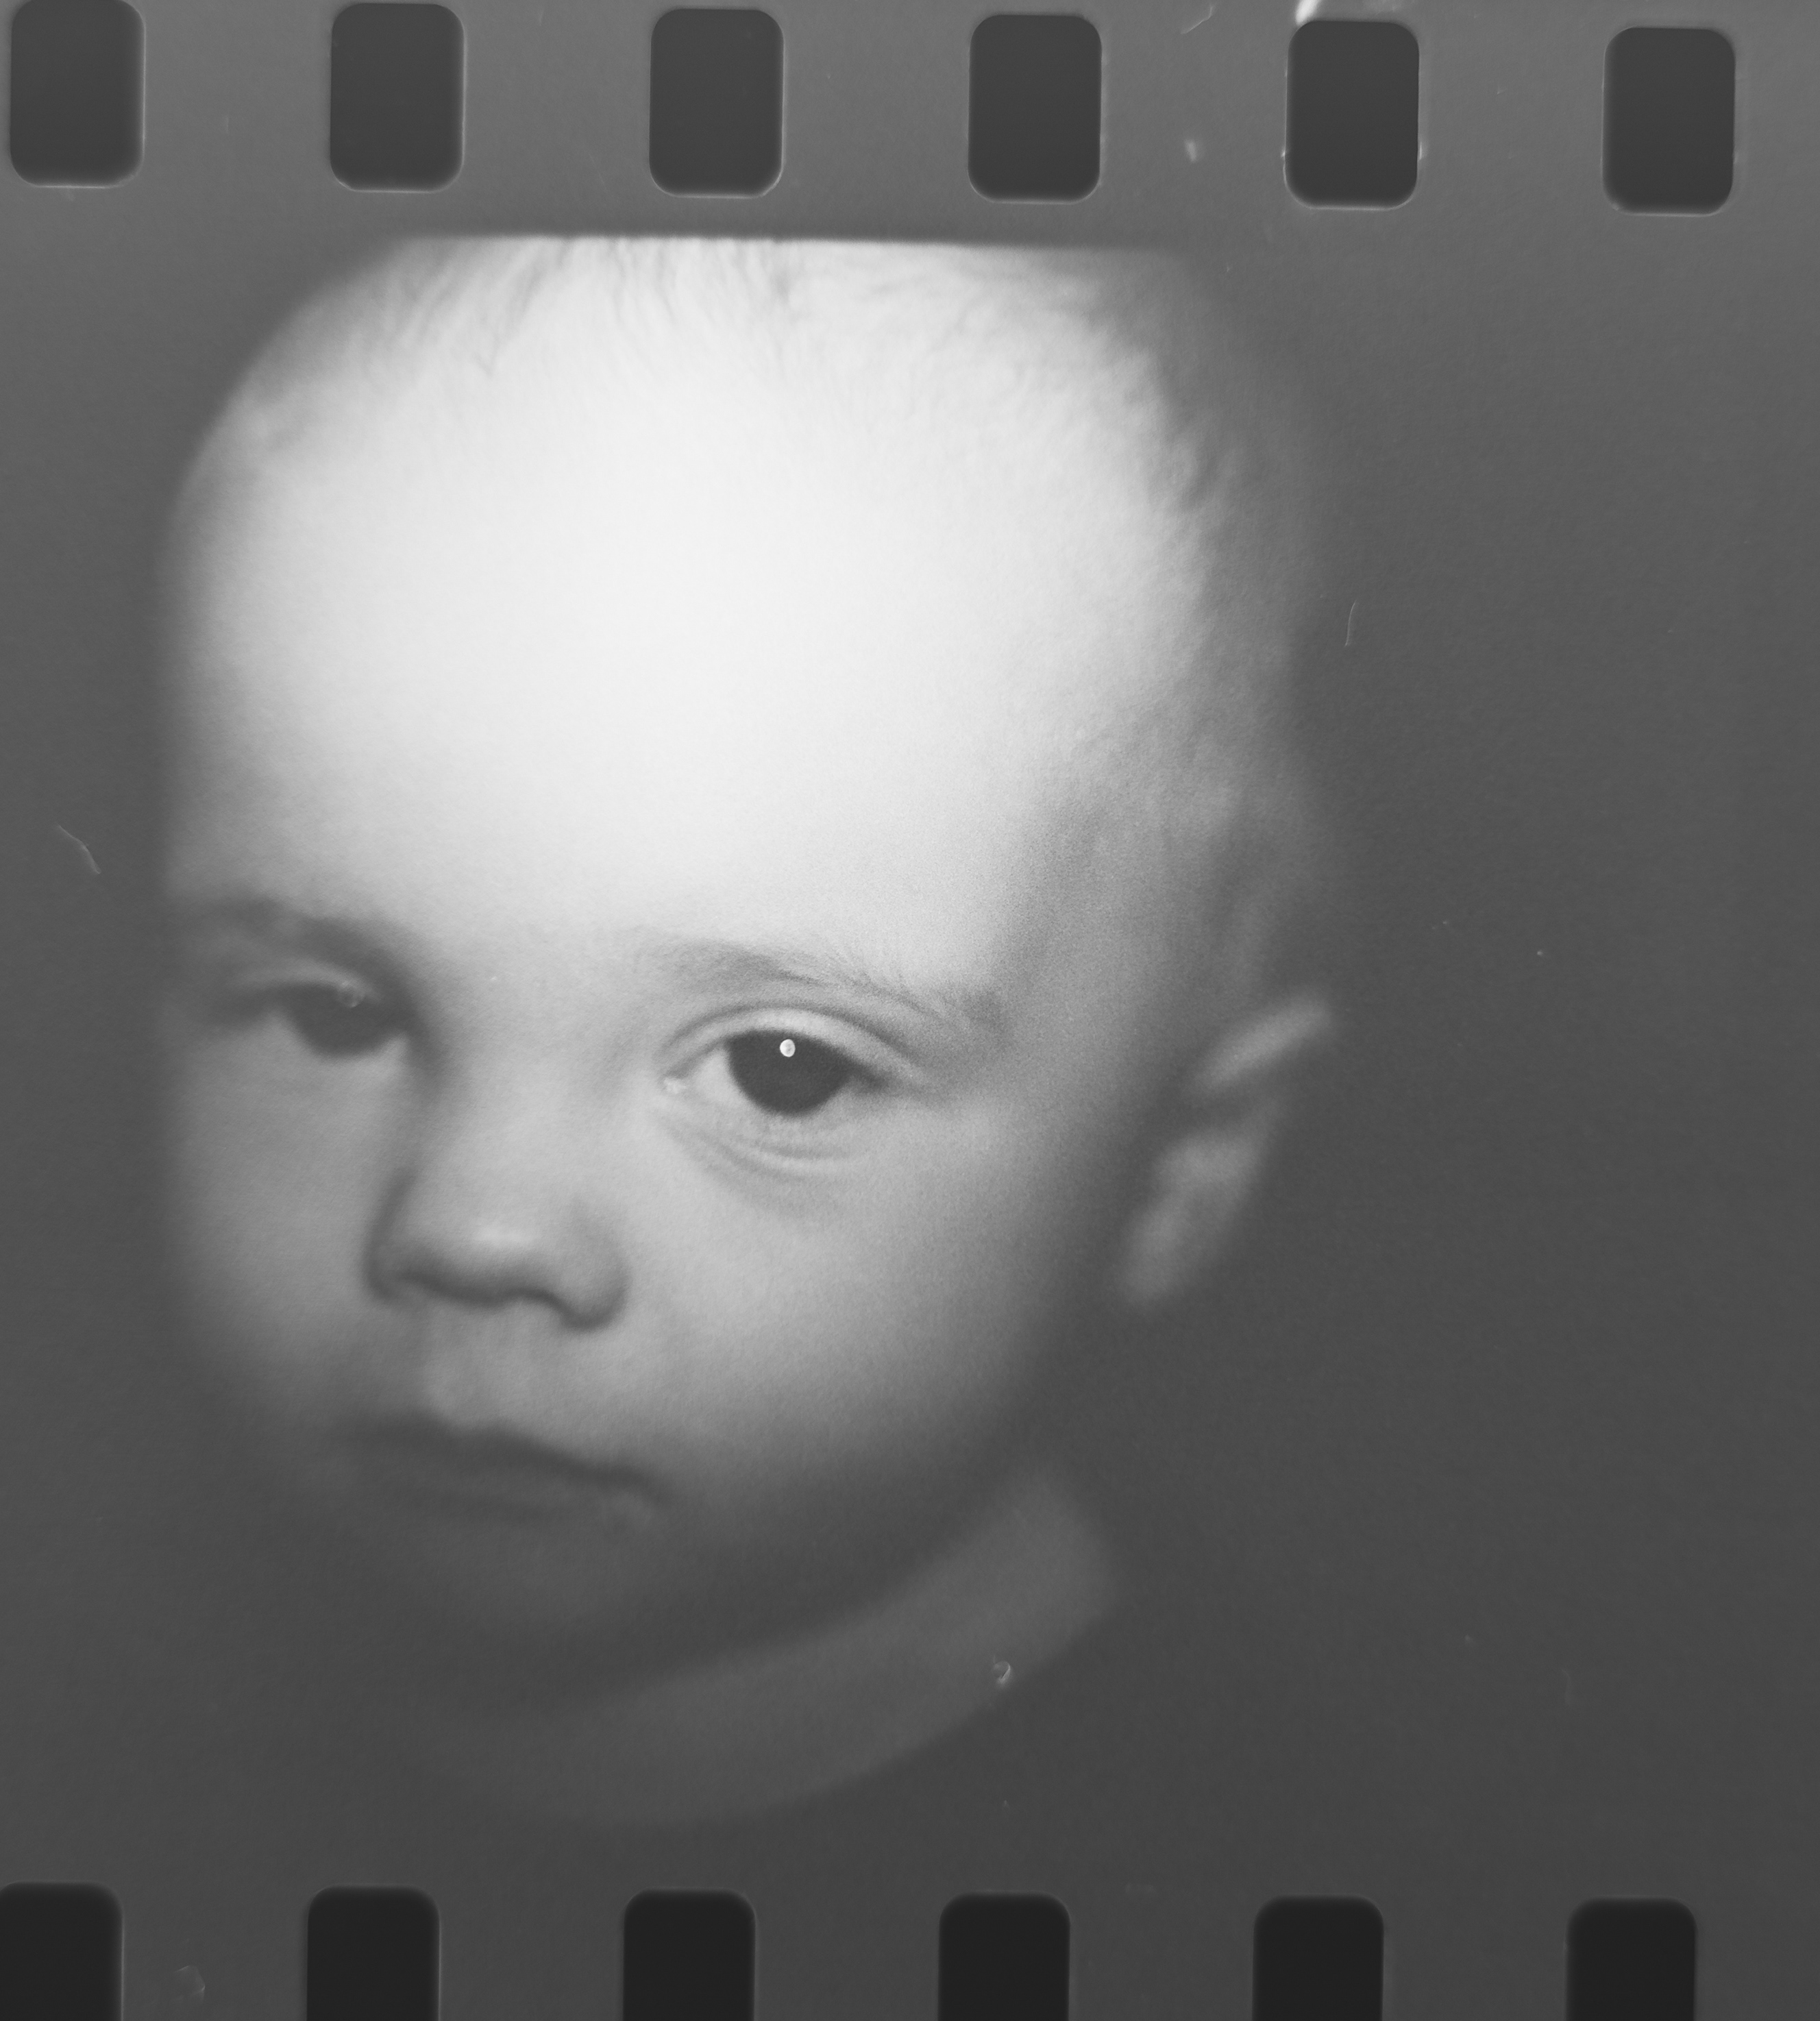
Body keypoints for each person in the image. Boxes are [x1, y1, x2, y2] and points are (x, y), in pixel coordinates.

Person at [147, 236, 1344, 1826]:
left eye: (785, 1069)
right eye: (333, 1009)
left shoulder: (1237, 1869)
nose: (476, 1226)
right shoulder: (82, 1742)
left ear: (1183, 1170)